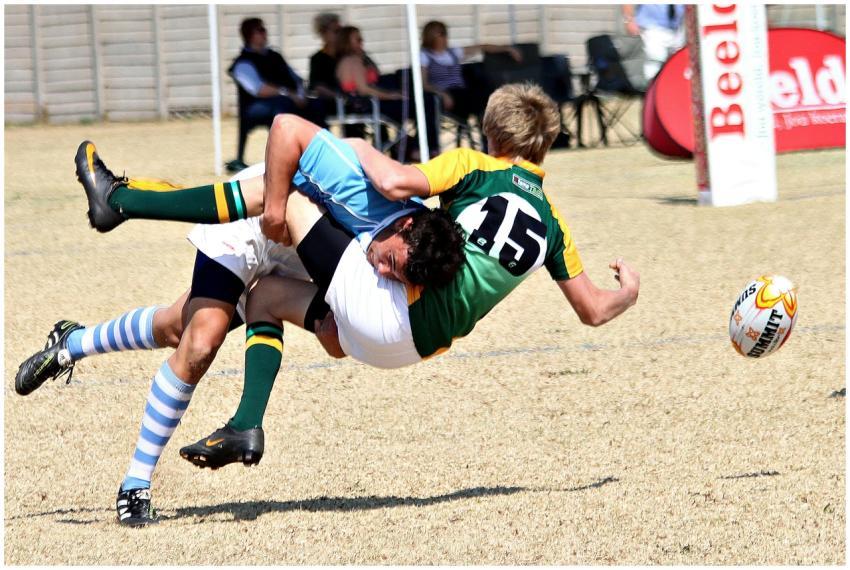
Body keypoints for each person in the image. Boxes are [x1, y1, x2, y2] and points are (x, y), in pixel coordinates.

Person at [66, 84, 640, 488]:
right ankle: (246, 423)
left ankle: (123, 201)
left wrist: (359, 150)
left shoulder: (477, 165)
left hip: (385, 308)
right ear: (543, 149)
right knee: (264, 295)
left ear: (493, 132)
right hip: (402, 352)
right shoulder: (555, 226)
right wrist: (628, 293)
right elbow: (593, 310)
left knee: (283, 195)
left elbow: (391, 181)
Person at [15, 123, 466, 526]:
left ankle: (72, 342)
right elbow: (288, 129)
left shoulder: (412, 251)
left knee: (177, 325)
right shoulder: (370, 191)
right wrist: (273, 211)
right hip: (256, 217)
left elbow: (339, 336)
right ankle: (136, 481)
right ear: (404, 225)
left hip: (296, 254)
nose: (383, 272)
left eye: (394, 275)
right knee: (198, 340)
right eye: (389, 262)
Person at [227, 17, 327, 172]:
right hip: (256, 108)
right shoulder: (243, 63)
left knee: (317, 105)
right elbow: (258, 89)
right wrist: (288, 94)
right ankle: (284, 160)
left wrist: (300, 94)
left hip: (287, 100)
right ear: (250, 35)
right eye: (260, 30)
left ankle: (322, 154)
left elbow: (296, 78)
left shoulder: (275, 56)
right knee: (283, 108)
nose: (265, 33)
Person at [335, 25, 439, 159]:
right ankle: (419, 147)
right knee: (424, 103)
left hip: (375, 102)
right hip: (368, 105)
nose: (362, 42)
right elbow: (364, 89)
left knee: (425, 101)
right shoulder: (350, 61)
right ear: (347, 42)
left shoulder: (362, 59)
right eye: (358, 39)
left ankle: (415, 146)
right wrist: (391, 95)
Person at [420, 20, 521, 128]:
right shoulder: (424, 56)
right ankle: (487, 121)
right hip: (445, 95)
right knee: (477, 98)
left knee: (484, 86)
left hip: (462, 92)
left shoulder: (453, 52)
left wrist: (507, 49)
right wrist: (441, 94)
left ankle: (490, 121)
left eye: (445, 33)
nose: (445, 37)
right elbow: (423, 83)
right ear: (430, 36)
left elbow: (482, 47)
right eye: (441, 34)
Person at [622, 4, 685, 83]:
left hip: (679, 27)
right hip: (652, 26)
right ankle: (655, 91)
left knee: (677, 64)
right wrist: (629, 19)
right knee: (655, 62)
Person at [308, 12, 342, 100]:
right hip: (333, 104)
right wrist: (340, 98)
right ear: (323, 33)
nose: (340, 35)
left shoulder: (347, 55)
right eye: (336, 31)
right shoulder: (317, 59)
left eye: (341, 31)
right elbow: (317, 86)